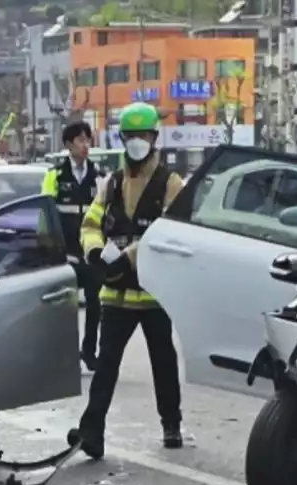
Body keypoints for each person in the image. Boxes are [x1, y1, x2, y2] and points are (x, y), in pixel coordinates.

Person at [68, 102, 184, 459]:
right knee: (105, 368)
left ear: (154, 138)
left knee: (163, 362)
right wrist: (94, 250)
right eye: (131, 136)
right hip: (115, 294)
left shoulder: (170, 183)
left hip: (153, 295)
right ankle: (92, 433)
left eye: (143, 136)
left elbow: (168, 232)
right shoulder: (112, 183)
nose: (137, 142)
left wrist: (127, 255)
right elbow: (91, 223)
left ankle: (171, 424)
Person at [42, 121, 103, 372]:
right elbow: (45, 214)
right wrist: (51, 248)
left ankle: (89, 352)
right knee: (64, 307)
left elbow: (104, 212)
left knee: (95, 304)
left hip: (90, 251)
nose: (85, 145)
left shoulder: (97, 176)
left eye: (88, 140)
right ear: (68, 145)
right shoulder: (54, 175)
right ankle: (64, 355)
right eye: (80, 140)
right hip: (65, 251)